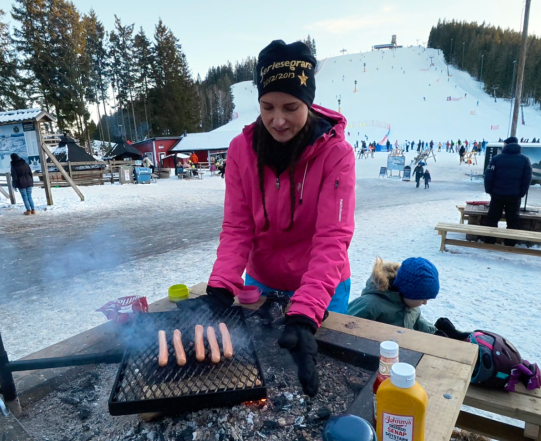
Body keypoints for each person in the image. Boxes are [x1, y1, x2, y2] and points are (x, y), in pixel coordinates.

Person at [181, 40, 355, 397]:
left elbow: (332, 239)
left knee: (327, 382)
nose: (278, 120)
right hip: (258, 285)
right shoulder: (241, 151)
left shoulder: (337, 154)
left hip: (323, 286)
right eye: (267, 106)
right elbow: (237, 227)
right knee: (257, 373)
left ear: (307, 101)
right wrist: (219, 289)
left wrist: (305, 314)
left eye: (291, 107)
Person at [346, 257, 438, 334]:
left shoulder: (410, 303)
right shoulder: (371, 304)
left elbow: (417, 320)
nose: (425, 303)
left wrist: (436, 332)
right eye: (422, 299)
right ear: (408, 292)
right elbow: (344, 323)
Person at [484, 136, 532, 246]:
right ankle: (510, 243)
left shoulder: (497, 158)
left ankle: (489, 241)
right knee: (513, 219)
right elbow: (527, 179)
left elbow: (489, 175)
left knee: (492, 218)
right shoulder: (525, 159)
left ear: (506, 146)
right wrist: (522, 193)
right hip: (514, 195)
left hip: (497, 194)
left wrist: (489, 190)